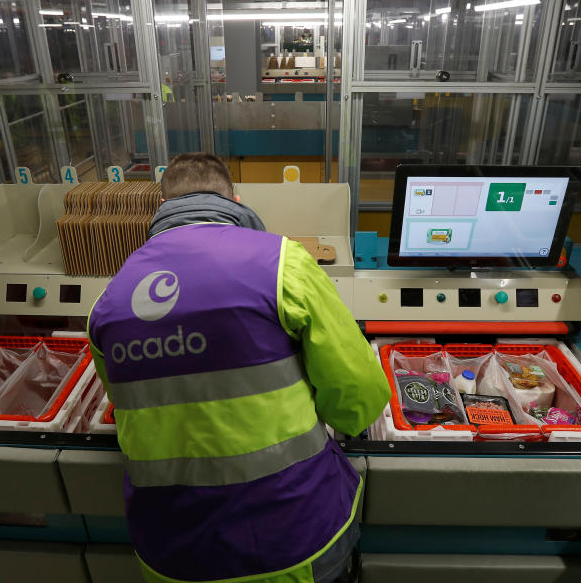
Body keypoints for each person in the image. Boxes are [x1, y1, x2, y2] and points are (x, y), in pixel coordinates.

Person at [87, 153, 390, 583]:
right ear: (235, 198)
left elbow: (131, 406)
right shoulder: (282, 262)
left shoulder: (110, 301)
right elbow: (358, 396)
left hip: (173, 553)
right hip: (294, 537)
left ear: (160, 207)